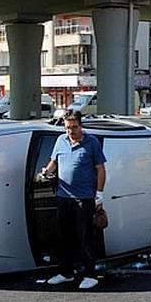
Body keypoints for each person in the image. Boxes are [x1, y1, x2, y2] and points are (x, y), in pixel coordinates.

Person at [41, 110, 106, 289]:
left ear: (81, 125)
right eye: (68, 128)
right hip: (64, 197)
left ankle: (90, 275)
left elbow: (100, 169)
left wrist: (99, 194)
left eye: (74, 127)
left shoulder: (91, 142)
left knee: (85, 237)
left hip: (84, 198)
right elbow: (54, 161)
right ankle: (66, 273)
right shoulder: (60, 141)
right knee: (64, 237)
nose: (71, 131)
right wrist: (47, 172)